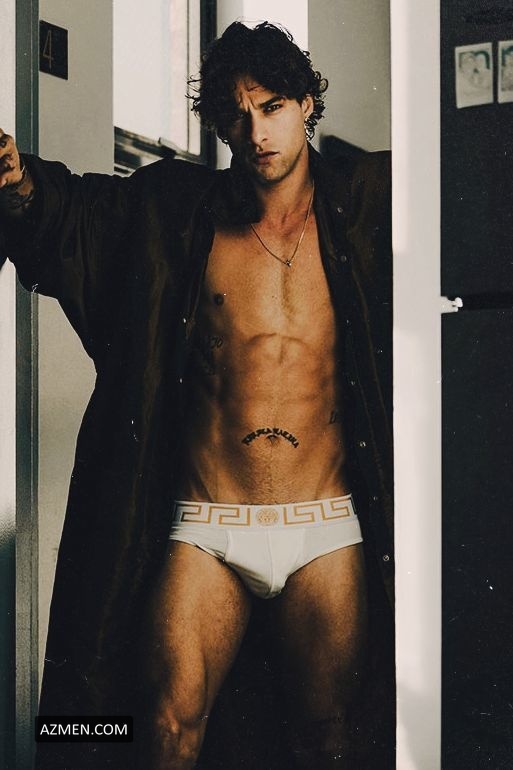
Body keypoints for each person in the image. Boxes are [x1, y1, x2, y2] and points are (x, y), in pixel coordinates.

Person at [0, 21, 394, 770]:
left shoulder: (365, 206)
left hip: (324, 527)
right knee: (165, 729)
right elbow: (78, 215)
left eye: (272, 107)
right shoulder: (176, 215)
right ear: (218, 125)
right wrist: (20, 185)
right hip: (209, 524)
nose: (257, 133)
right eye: (237, 117)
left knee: (331, 739)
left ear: (307, 104)